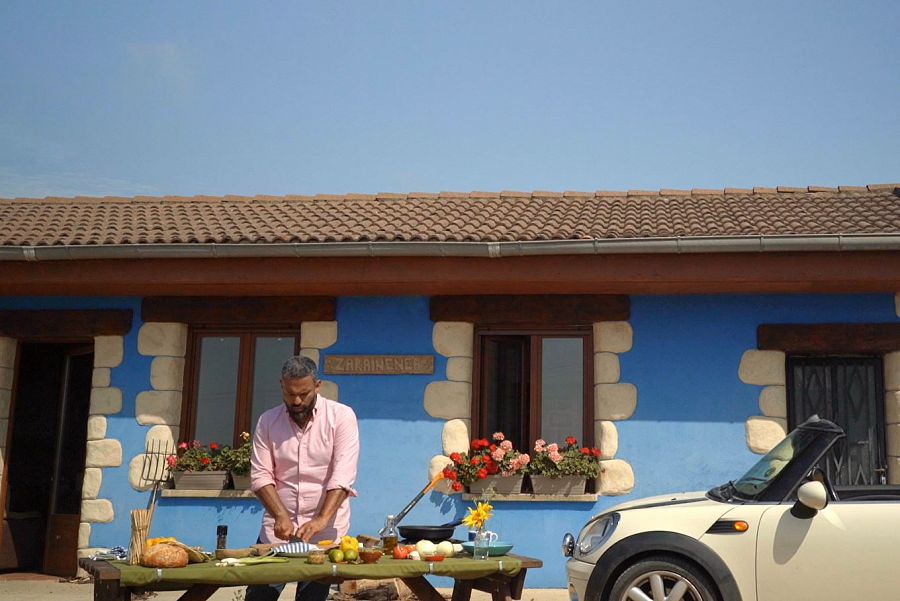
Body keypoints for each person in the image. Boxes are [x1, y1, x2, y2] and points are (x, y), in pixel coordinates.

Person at [245, 356, 360, 601]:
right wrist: (279, 515)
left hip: (324, 535)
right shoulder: (267, 421)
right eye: (289, 394)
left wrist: (321, 519)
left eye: (304, 394)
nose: (296, 401)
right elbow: (260, 475)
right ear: (281, 386)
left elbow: (343, 475)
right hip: (276, 534)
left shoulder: (342, 417)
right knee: (258, 597)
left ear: (317, 386)